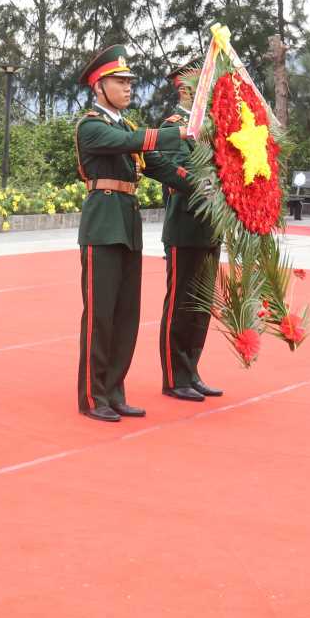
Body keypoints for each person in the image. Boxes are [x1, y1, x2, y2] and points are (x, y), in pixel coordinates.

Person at [74, 45, 189, 423]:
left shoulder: (125, 127)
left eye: (129, 82)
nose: (128, 88)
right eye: (119, 82)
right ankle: (94, 396)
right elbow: (131, 143)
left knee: (126, 315)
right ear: (98, 86)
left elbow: (159, 166)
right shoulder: (92, 126)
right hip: (103, 226)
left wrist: (203, 186)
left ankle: (115, 391)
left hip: (127, 226)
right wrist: (180, 133)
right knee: (100, 316)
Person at [157, 59, 224, 402]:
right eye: (197, 86)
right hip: (185, 226)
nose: (203, 92)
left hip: (211, 227)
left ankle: (192, 370)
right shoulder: (173, 126)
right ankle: (174, 375)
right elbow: (177, 171)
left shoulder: (213, 127)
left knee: (201, 306)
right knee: (181, 303)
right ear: (184, 89)